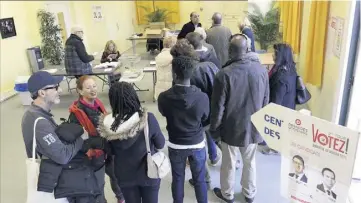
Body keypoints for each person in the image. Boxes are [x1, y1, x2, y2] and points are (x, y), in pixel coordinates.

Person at [21, 71, 100, 202]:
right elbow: (62, 156)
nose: (60, 90)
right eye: (55, 87)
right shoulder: (39, 121)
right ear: (42, 93)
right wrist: (81, 139)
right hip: (51, 182)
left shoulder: (35, 114)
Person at [210, 34, 269, 203]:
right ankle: (249, 193)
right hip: (253, 126)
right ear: (248, 50)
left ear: (230, 51)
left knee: (228, 163)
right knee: (250, 162)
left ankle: (227, 194)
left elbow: (218, 107)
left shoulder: (223, 74)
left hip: (231, 128)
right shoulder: (261, 70)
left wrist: (214, 128)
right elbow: (266, 100)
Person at [98, 82, 165, 203]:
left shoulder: (106, 125)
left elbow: (109, 150)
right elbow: (160, 144)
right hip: (148, 173)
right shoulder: (148, 119)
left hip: (124, 175)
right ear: (133, 97)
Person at [169, 39, 221, 188]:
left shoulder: (183, 75)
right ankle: (230, 161)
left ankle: (205, 179)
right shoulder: (210, 65)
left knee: (197, 150)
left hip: (194, 119)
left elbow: (181, 100)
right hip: (213, 113)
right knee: (216, 138)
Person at [158, 55, 208, 203]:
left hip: (176, 144)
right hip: (197, 143)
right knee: (200, 180)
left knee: (178, 179)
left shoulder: (163, 97)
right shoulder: (202, 97)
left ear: (174, 74)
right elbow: (205, 118)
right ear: (191, 73)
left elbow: (163, 112)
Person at [68, 76, 125, 203]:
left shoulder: (97, 103)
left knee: (116, 176)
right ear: (80, 91)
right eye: (88, 88)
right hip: (94, 155)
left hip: (108, 147)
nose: (93, 90)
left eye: (94, 86)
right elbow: (78, 139)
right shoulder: (76, 113)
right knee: (98, 184)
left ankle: (120, 198)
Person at [260, 43, 297, 155]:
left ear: (281, 56)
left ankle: (274, 148)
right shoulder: (289, 68)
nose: (273, 56)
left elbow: (277, 100)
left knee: (277, 127)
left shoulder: (281, 77)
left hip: (280, 106)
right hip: (288, 105)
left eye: (275, 54)